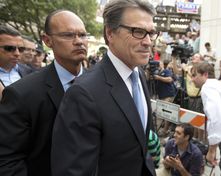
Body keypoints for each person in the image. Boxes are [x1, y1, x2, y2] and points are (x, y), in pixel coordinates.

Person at [51, 0, 158, 175]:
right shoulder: (84, 93)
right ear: (110, 33)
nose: (147, 42)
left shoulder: (139, 75)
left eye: (151, 33)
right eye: (138, 32)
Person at [0, 10, 87, 176]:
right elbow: (8, 160)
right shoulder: (21, 94)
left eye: (82, 35)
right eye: (68, 35)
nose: (79, 42)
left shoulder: (102, 85)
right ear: (47, 40)